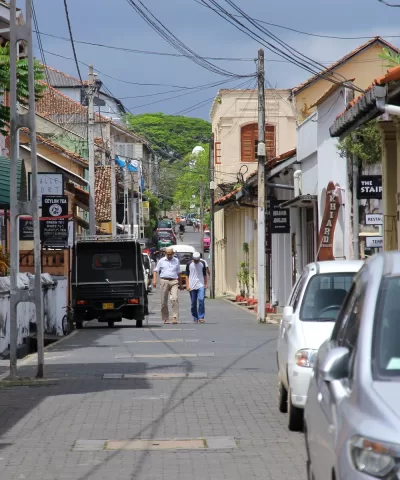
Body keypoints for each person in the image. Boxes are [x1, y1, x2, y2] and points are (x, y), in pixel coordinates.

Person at [153, 247, 182, 324]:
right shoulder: (161, 261)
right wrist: (154, 281)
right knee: (163, 301)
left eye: (171, 254)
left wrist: (181, 284)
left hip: (174, 281)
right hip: (164, 281)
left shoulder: (176, 261)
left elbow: (179, 272)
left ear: (173, 254)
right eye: (168, 254)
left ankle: (175, 317)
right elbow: (155, 271)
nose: (169, 256)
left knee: (174, 298)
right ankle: (165, 318)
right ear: (165, 254)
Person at [186, 251, 208, 323]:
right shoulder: (189, 264)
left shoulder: (202, 263)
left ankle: (201, 317)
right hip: (192, 285)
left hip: (200, 284)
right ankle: (195, 317)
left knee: (201, 299)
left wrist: (205, 283)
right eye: (195, 260)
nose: (196, 261)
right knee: (193, 303)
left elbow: (204, 274)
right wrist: (187, 285)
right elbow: (187, 275)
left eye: (197, 260)